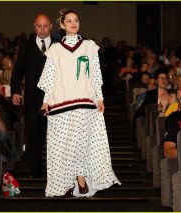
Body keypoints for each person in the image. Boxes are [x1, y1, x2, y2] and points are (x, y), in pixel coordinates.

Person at [37, 9, 120, 197]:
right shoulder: (55, 50)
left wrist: (100, 98)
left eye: (76, 20)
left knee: (82, 143)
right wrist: (45, 102)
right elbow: (49, 78)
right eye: (69, 20)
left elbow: (96, 75)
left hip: (85, 101)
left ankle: (81, 179)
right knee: (63, 145)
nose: (73, 23)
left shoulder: (90, 46)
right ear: (62, 25)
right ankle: (68, 181)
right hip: (60, 103)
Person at [10, 13, 54, 178]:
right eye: (39, 26)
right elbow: (17, 70)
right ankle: (36, 172)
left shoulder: (58, 45)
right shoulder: (27, 45)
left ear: (50, 27)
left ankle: (56, 172)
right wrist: (15, 90)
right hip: (32, 100)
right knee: (34, 137)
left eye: (45, 26)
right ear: (34, 26)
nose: (42, 29)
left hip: (54, 100)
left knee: (55, 138)